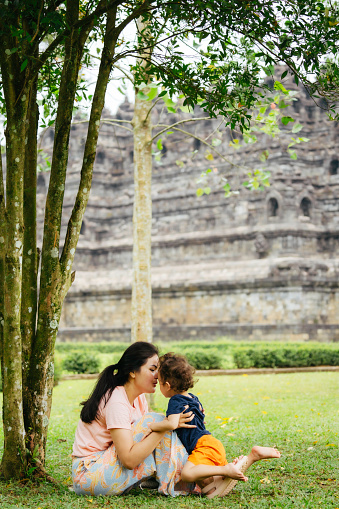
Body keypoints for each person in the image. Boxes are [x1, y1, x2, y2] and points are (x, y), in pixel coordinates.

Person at [71, 342, 197, 497]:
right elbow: (129, 461)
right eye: (152, 369)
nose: (157, 375)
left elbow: (151, 438)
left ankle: (198, 475)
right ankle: (196, 482)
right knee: (158, 421)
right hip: (89, 475)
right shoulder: (116, 400)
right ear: (132, 371)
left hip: (108, 467)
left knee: (161, 423)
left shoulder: (139, 398)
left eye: (157, 370)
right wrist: (166, 426)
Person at [148, 352, 281, 498]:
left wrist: (153, 426)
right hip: (211, 443)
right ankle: (251, 457)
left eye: (159, 382)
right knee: (211, 491)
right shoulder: (193, 398)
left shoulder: (175, 401)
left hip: (203, 446)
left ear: (167, 385)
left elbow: (172, 423)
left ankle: (226, 469)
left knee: (187, 474)